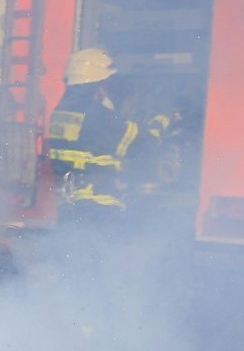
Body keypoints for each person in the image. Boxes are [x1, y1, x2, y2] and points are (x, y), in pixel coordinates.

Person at [44, 48, 177, 223]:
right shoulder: (100, 116)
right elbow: (146, 142)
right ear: (97, 84)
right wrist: (164, 116)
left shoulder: (59, 113)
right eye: (106, 84)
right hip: (98, 205)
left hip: (67, 203)